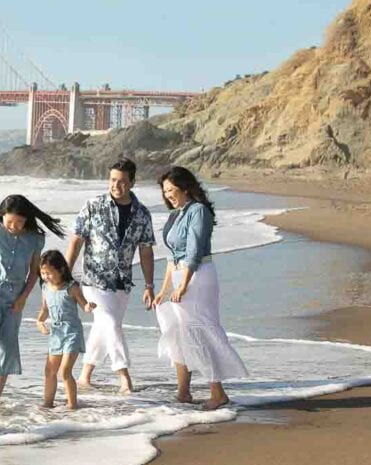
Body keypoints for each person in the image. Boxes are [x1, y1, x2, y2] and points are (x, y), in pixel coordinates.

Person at [152, 167, 248, 410]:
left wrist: (183, 284)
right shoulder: (176, 214)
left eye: (172, 190)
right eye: (165, 191)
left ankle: (217, 392)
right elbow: (172, 256)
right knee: (178, 332)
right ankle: (183, 391)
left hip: (196, 277)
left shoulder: (198, 212)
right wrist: (164, 289)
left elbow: (193, 253)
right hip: (179, 277)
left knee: (198, 332)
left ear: (186, 188)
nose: (168, 195)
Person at [65, 158, 156, 394]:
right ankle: (124, 376)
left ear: (132, 183)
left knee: (103, 327)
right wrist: (65, 273)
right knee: (110, 324)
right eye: (113, 180)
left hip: (122, 283)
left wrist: (149, 285)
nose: (117, 185)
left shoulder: (142, 214)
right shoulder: (93, 205)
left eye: (123, 181)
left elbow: (146, 250)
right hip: (94, 280)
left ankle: (85, 375)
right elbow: (77, 240)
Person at [0, 194, 65, 412]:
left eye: (18, 222)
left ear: (26, 219)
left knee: (8, 346)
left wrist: (23, 298)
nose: (13, 226)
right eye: (9, 221)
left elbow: (34, 272)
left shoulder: (34, 238)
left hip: (14, 298)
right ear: (2, 216)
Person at [36, 250, 96, 410]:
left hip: (71, 332)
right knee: (49, 371)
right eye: (43, 273)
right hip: (56, 333)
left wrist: (89, 306)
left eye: (49, 273)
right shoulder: (45, 287)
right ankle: (48, 404)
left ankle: (72, 406)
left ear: (61, 270)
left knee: (65, 371)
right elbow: (44, 310)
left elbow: (84, 306)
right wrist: (40, 322)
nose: (45, 276)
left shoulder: (71, 287)